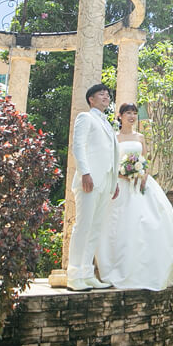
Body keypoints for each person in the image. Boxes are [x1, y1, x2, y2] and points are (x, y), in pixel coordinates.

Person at [97, 102, 173, 290]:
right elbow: (111, 162)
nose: (131, 116)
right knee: (119, 227)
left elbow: (145, 161)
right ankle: (118, 268)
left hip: (141, 184)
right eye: (128, 113)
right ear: (120, 116)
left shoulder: (140, 137)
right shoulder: (114, 137)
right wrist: (124, 174)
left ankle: (147, 269)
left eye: (134, 113)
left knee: (149, 223)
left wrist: (142, 175)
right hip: (121, 185)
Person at [66, 83, 120, 291]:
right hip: (89, 180)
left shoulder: (108, 123)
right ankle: (74, 275)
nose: (106, 96)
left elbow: (112, 155)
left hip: (105, 183)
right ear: (91, 99)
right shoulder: (85, 118)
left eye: (108, 94)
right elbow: (78, 146)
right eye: (101, 94)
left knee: (95, 228)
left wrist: (113, 182)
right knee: (83, 226)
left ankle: (87, 273)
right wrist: (85, 173)